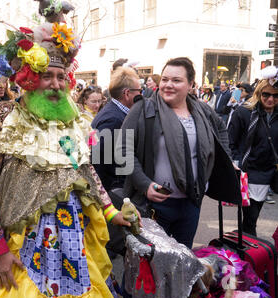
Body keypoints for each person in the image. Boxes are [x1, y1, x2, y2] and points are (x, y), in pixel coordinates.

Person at [0, 13, 132, 298]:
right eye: (47, 75)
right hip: (14, 244)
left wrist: (112, 212)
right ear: (28, 79)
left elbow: (85, 171)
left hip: (71, 241)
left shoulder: (71, 123)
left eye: (62, 77)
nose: (57, 84)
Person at [119, 57, 236, 250]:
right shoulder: (143, 108)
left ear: (191, 84)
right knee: (147, 267)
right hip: (154, 207)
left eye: (176, 80)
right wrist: (144, 183)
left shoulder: (202, 110)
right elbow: (122, 150)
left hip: (191, 203)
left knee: (183, 263)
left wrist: (227, 159)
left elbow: (221, 130)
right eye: (164, 79)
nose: (168, 85)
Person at [228, 79, 278, 236]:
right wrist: (236, 163)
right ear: (258, 93)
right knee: (250, 218)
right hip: (247, 173)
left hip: (268, 173)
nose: (271, 99)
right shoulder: (243, 113)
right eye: (266, 94)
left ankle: (247, 248)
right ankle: (249, 252)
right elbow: (230, 142)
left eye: (276, 96)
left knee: (251, 219)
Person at [91, 66, 141, 193]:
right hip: (113, 193)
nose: (141, 95)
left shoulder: (115, 113)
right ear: (127, 93)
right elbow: (100, 164)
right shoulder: (114, 120)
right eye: (139, 91)